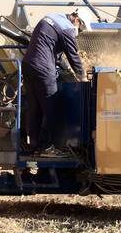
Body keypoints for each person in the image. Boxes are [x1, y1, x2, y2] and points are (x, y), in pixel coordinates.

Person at [21, 10, 87, 157]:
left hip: (28, 66)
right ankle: (47, 148)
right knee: (52, 108)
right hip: (43, 69)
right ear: (77, 19)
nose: (79, 32)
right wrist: (82, 77)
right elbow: (73, 56)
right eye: (80, 28)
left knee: (34, 108)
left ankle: (33, 147)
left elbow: (52, 51)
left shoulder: (51, 17)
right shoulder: (67, 28)